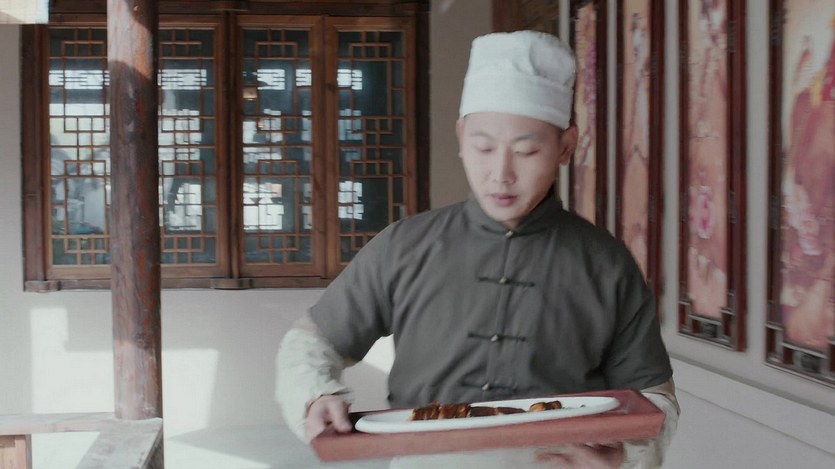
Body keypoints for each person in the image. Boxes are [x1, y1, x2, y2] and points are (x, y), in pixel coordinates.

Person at [277, 30, 679, 468]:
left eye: (526, 151)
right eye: (483, 147)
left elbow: (655, 398)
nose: (501, 173)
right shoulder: (405, 245)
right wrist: (315, 396)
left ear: (565, 147)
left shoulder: (607, 263)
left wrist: (626, 456)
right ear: (460, 136)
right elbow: (312, 341)